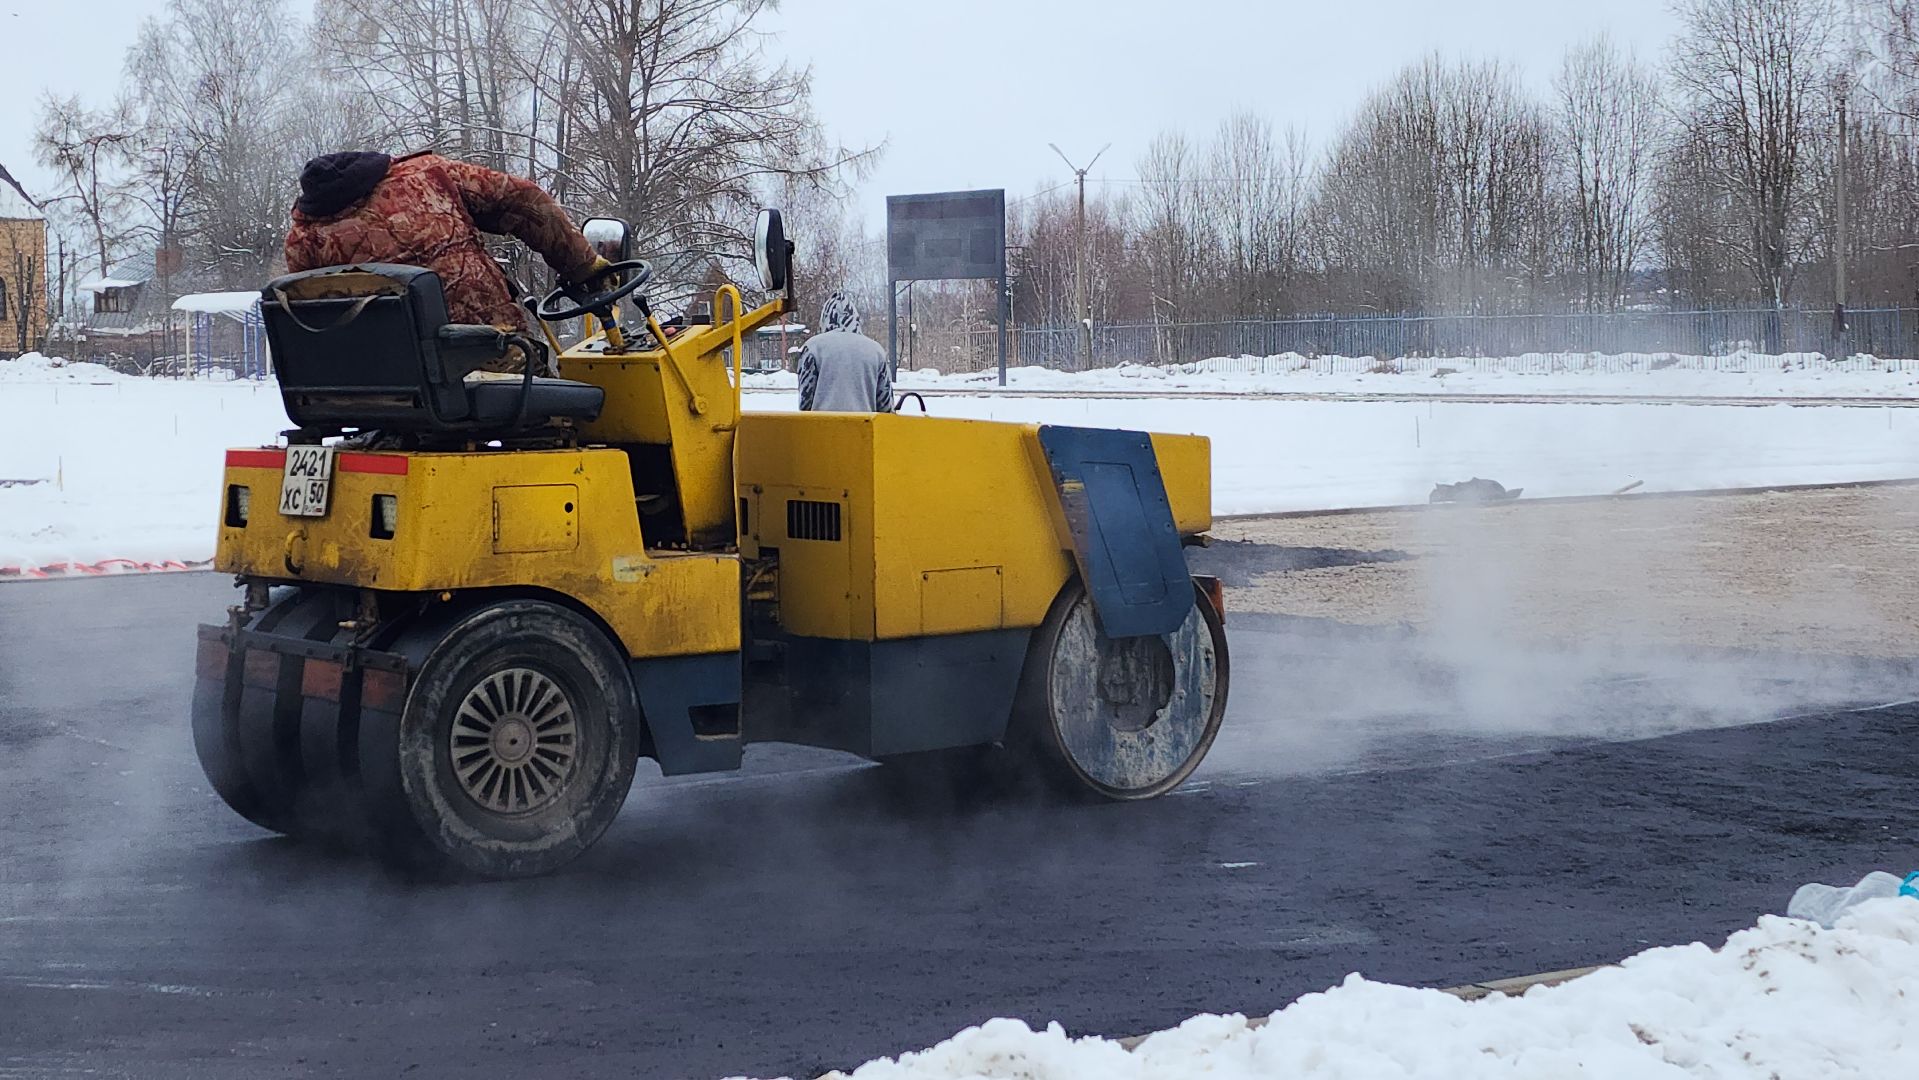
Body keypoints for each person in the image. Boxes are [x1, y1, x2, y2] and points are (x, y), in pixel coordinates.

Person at [283, 151, 604, 373]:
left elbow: (312, 322)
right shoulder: (428, 176)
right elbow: (523, 201)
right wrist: (582, 266)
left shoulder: (303, 239)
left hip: (384, 380)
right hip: (488, 354)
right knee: (566, 416)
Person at [797, 291, 893, 413]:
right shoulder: (876, 351)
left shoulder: (812, 347)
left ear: (825, 318)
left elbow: (805, 403)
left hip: (821, 428)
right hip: (864, 429)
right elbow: (886, 407)